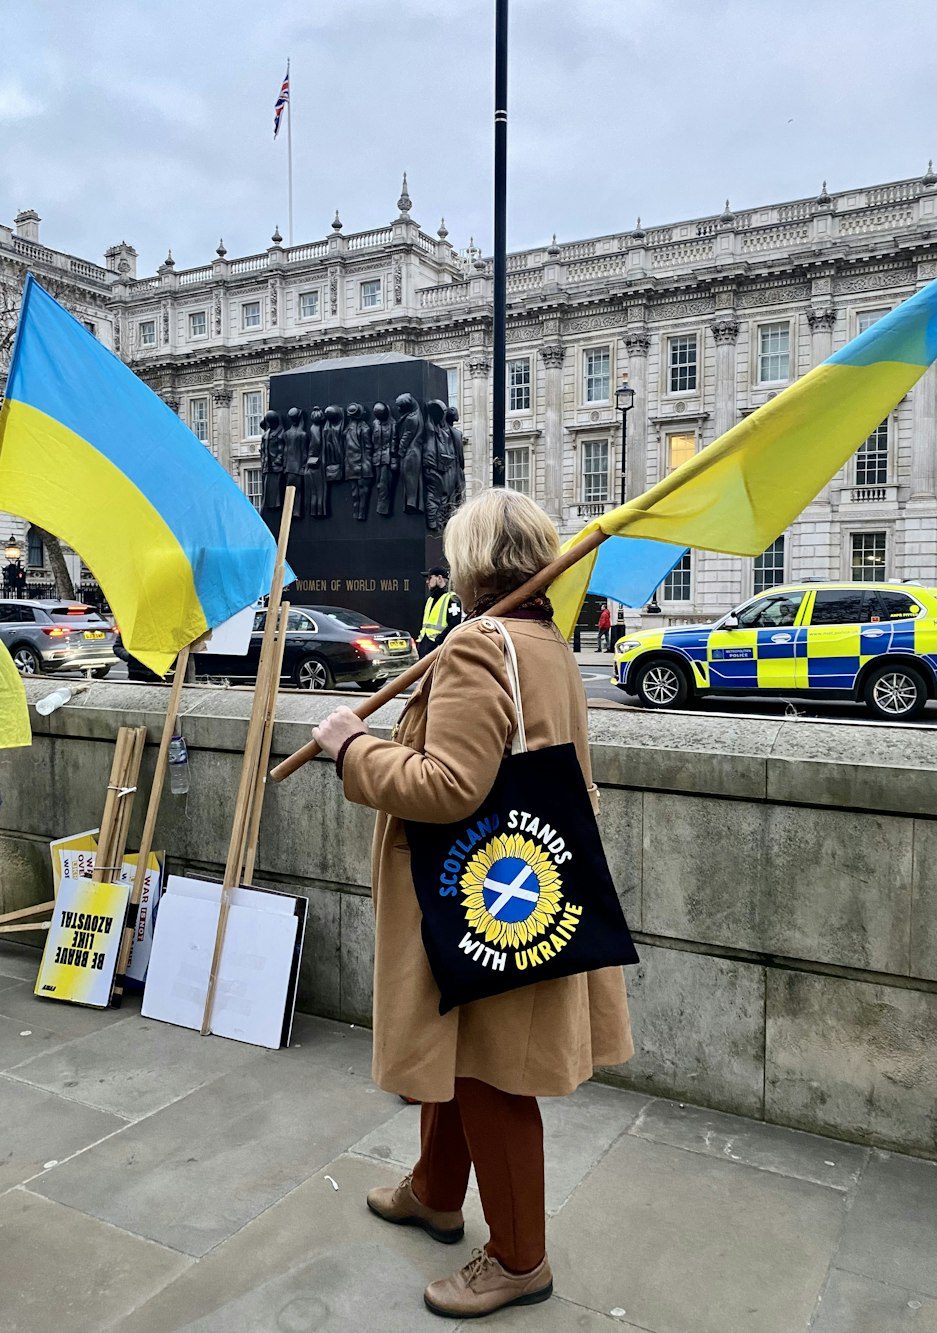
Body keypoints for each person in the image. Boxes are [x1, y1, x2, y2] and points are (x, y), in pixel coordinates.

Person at [311, 490, 634, 1319]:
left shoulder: (477, 647)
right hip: (524, 880)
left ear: (472, 565)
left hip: (476, 893)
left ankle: (521, 1257)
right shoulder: (546, 644)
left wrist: (355, 748)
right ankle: (435, 1190)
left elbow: (448, 785)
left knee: (491, 1073)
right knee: (463, 1052)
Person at [416, 565, 462, 658]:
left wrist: (438, 641)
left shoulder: (452, 599)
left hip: (438, 649)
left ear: (440, 578)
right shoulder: (430, 600)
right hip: (425, 647)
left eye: (430, 578)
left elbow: (454, 625)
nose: (427, 582)